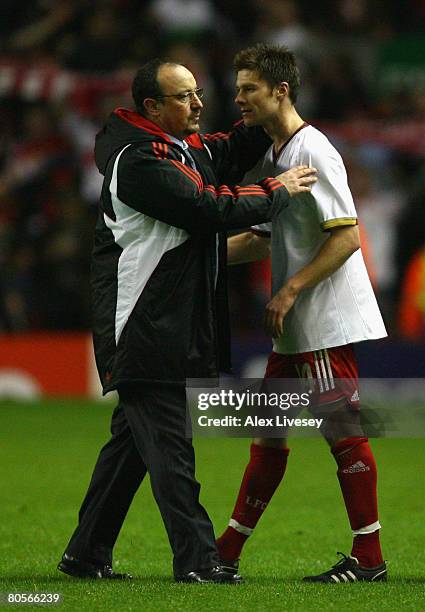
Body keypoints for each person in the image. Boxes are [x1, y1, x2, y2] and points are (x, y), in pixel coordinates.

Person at [57, 58, 317, 584]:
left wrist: (268, 109)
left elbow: (225, 150)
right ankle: (198, 560)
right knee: (172, 449)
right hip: (142, 325)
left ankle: (85, 553)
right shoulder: (138, 162)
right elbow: (204, 206)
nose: (198, 104)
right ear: (152, 107)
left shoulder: (177, 148)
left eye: (198, 93)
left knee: (132, 446)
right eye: (184, 97)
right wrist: (278, 189)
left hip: (165, 321)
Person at [216, 44, 388, 583]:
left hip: (319, 322)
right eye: (239, 88)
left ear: (280, 90)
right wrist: (191, 257)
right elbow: (264, 238)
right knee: (268, 433)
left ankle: (369, 559)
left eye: (248, 88)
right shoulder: (277, 156)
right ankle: (225, 552)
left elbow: (347, 237)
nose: (238, 98)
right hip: (294, 326)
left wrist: (289, 291)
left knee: (344, 435)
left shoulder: (314, 151)